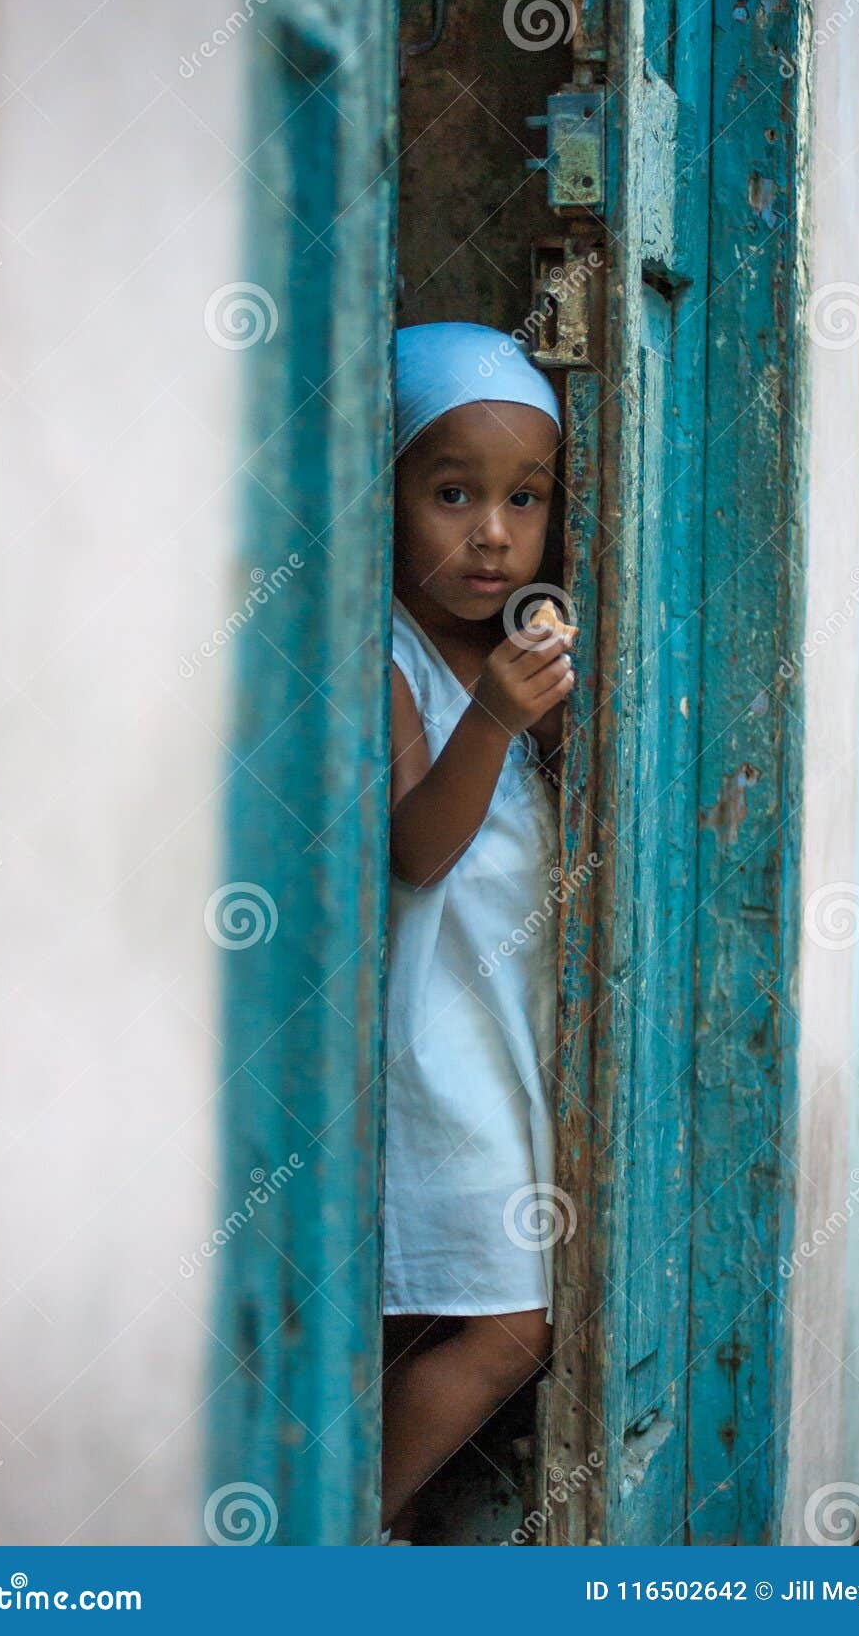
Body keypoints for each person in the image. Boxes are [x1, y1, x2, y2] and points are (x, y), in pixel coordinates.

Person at [381, 322, 575, 1541]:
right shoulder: (393, 658)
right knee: (509, 1328)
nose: (492, 533)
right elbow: (416, 847)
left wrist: (534, 708)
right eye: (451, 493)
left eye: (524, 497)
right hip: (438, 1057)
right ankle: (350, 1526)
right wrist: (496, 722)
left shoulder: (516, 654)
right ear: (388, 493)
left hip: (507, 1046)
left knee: (418, 1316)